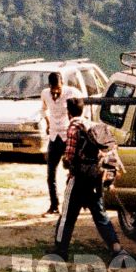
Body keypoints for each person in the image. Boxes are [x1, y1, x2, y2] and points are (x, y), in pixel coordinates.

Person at [55, 98, 124, 262]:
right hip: (95, 178)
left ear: (68, 112)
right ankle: (117, 249)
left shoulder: (73, 127)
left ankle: (60, 250)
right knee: (101, 216)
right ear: (82, 109)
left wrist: (66, 162)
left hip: (78, 178)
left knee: (67, 216)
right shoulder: (91, 125)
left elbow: (70, 156)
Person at [40, 69, 87, 214]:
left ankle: (78, 203)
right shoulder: (45, 94)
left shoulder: (71, 92)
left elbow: (82, 106)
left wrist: (77, 124)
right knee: (50, 173)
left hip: (68, 135)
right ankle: (54, 205)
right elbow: (43, 110)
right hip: (54, 136)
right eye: (53, 90)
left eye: (58, 90)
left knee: (75, 170)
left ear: (63, 85)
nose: (55, 93)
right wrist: (48, 123)